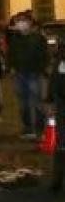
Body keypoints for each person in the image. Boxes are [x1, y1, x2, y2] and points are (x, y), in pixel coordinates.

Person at [7, 11, 49, 139]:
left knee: (36, 102)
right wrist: (11, 67)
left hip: (33, 74)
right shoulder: (14, 38)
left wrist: (40, 69)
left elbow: (44, 56)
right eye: (18, 20)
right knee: (23, 104)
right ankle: (27, 128)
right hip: (19, 74)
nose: (20, 23)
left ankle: (40, 130)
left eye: (23, 20)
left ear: (30, 23)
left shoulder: (38, 37)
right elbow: (11, 55)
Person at [45, 43, 65, 193]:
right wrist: (50, 100)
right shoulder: (62, 58)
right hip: (62, 103)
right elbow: (55, 79)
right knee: (61, 143)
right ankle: (57, 179)